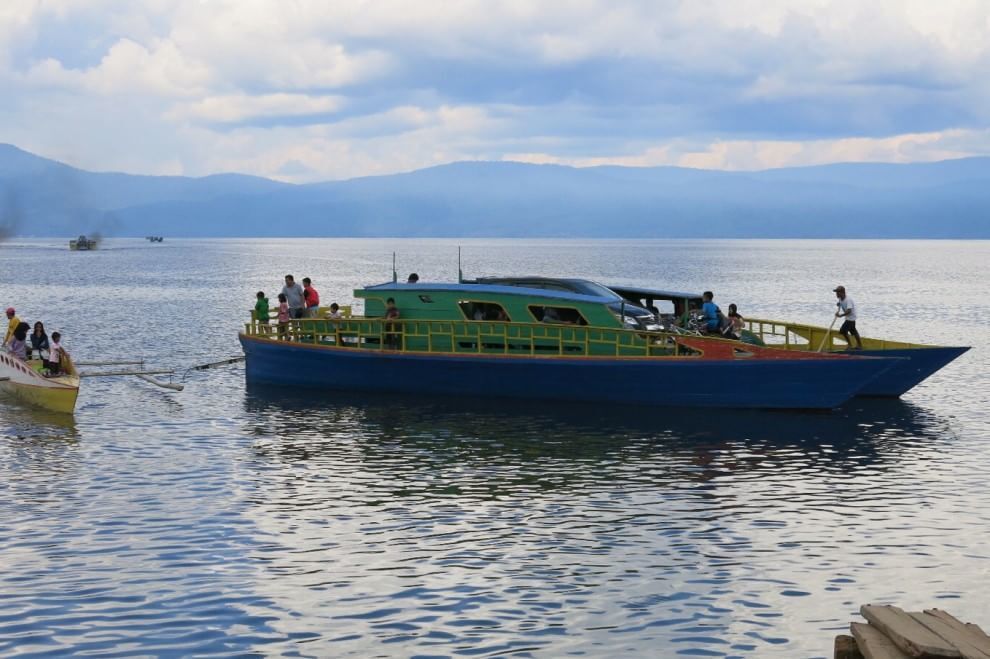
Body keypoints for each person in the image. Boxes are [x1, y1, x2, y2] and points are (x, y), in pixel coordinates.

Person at [834, 285, 863, 349]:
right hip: (848, 318)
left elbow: (849, 311)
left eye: (838, 292)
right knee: (853, 331)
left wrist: (840, 315)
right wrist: (839, 304)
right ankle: (859, 345)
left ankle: (850, 345)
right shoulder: (840, 299)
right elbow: (841, 303)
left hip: (851, 318)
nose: (836, 294)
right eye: (836, 292)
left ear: (842, 292)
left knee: (843, 330)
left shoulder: (848, 299)